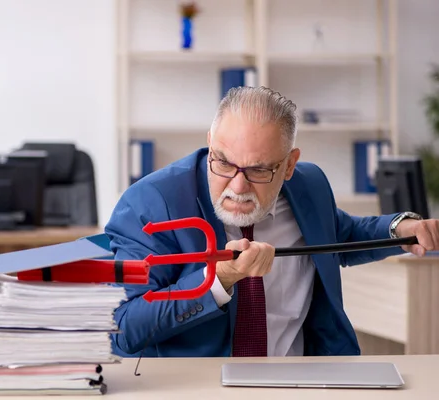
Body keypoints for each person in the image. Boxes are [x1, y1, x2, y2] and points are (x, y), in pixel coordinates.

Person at [104, 86, 439, 358]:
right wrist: (217, 279)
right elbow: (122, 328)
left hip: (304, 381)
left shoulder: (309, 185)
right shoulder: (151, 203)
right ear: (210, 144)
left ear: (289, 165)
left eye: (259, 170)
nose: (237, 187)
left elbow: (341, 234)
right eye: (222, 163)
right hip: (198, 388)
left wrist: (400, 230)